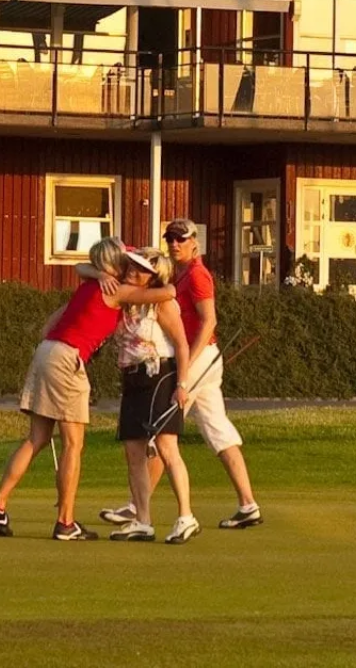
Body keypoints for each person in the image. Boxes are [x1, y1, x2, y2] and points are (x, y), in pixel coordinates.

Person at [0, 237, 174, 542]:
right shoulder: (117, 291)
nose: (131, 267)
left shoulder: (88, 285)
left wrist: (97, 273)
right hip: (68, 358)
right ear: (116, 263)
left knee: (37, 437)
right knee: (73, 444)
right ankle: (66, 522)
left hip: (46, 351)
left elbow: (68, 288)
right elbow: (169, 292)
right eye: (126, 262)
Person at [100, 218, 262, 531]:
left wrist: (186, 367)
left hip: (197, 358)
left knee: (162, 432)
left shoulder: (198, 274)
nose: (174, 244)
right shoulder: (178, 272)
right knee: (218, 431)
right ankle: (248, 504)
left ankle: (138, 508)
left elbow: (209, 321)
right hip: (201, 360)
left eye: (180, 239)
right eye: (170, 238)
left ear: (194, 242)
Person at [108, 248, 199, 543]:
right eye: (130, 268)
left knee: (166, 446)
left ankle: (186, 516)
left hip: (160, 375)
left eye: (139, 270)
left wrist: (182, 385)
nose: (132, 273)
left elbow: (182, 345)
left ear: (153, 277)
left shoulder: (163, 304)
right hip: (132, 377)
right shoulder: (126, 302)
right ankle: (143, 520)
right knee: (133, 451)